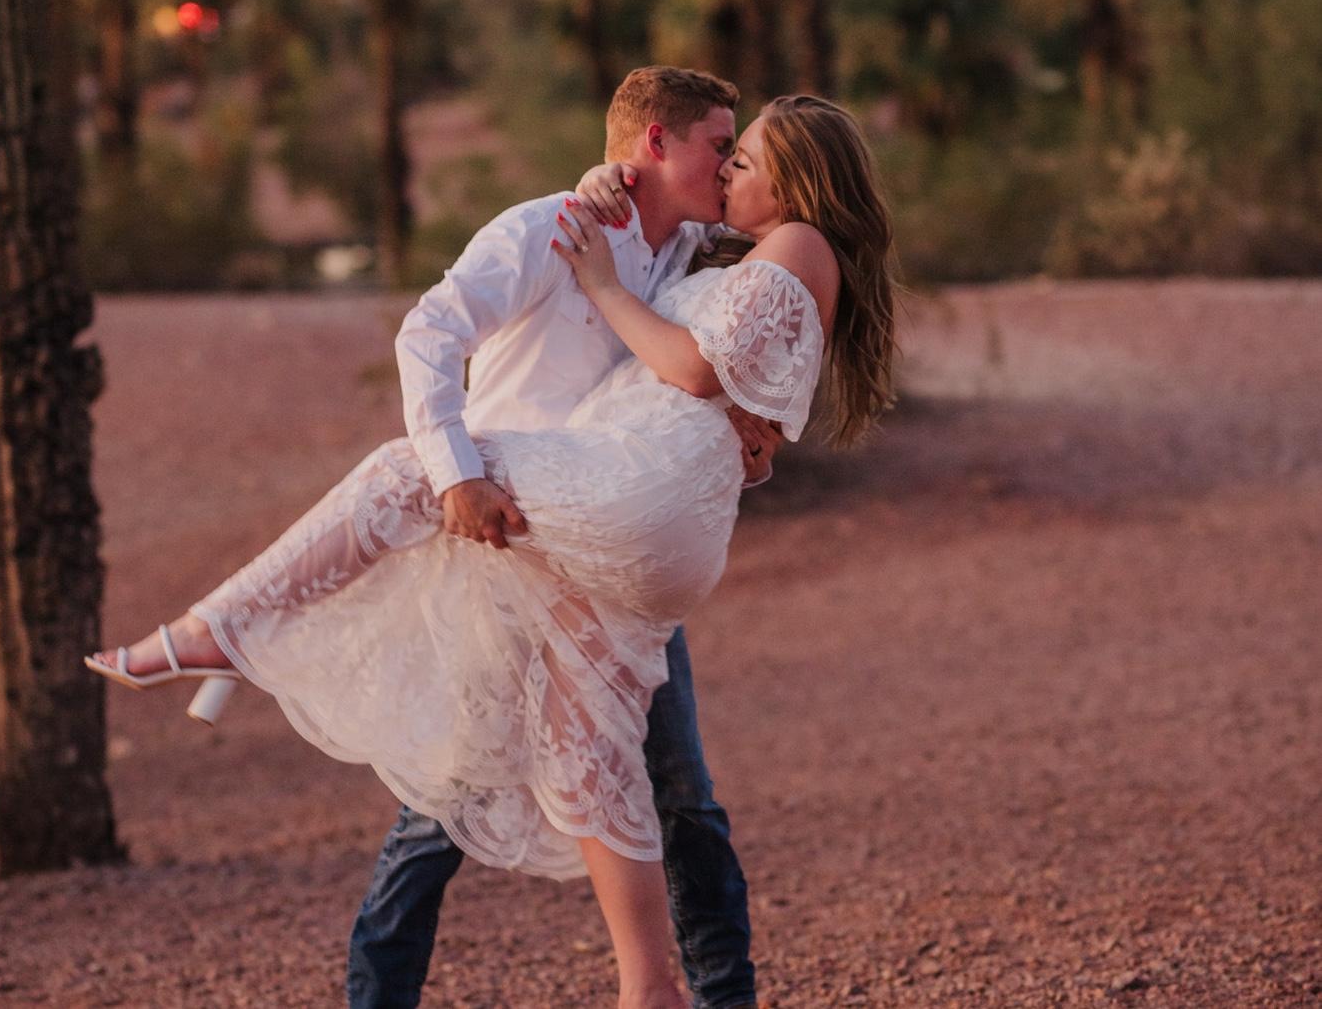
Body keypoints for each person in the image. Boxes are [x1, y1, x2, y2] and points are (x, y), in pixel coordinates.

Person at [86, 82, 900, 1009]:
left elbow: (694, 369)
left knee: (407, 484)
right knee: (557, 765)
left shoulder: (758, 246)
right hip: (544, 527)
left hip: (604, 507)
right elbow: (438, 333)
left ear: (793, 179)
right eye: (723, 148)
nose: (727, 169)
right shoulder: (573, 229)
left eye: (741, 156)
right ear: (656, 143)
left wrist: (600, 317)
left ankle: (219, 632)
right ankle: (646, 988)